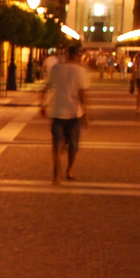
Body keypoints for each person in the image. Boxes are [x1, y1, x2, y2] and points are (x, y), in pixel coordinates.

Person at [41, 43, 90, 183]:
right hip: (75, 113)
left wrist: (43, 105)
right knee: (73, 145)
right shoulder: (80, 71)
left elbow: (47, 87)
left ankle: (56, 172)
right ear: (77, 56)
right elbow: (82, 94)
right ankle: (69, 170)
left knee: (57, 144)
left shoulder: (56, 69)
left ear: (67, 55)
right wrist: (86, 113)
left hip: (57, 111)